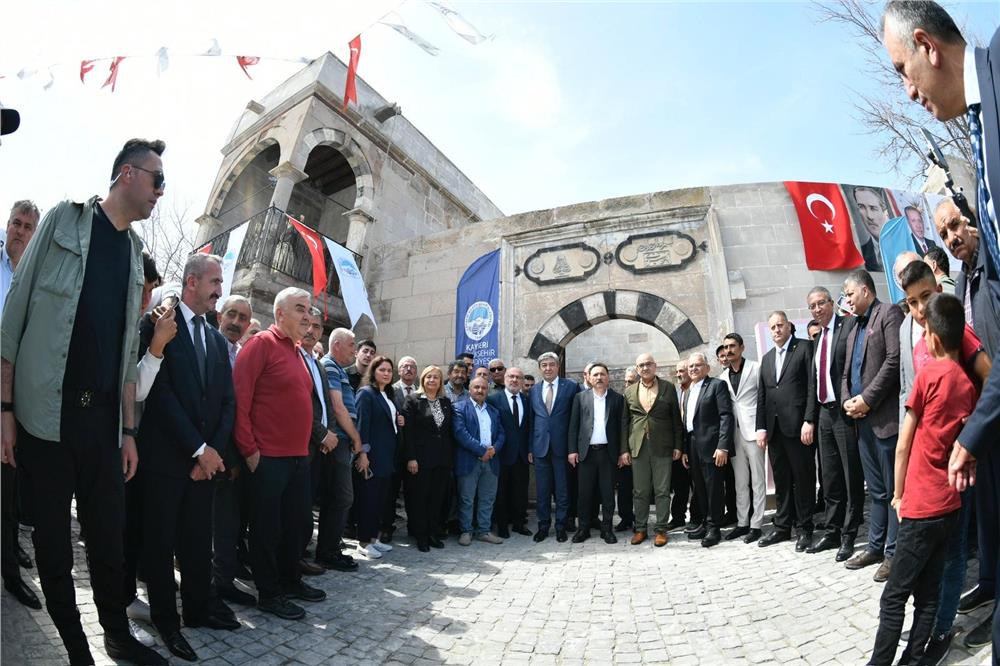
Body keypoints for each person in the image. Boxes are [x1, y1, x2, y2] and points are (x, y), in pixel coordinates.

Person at [0, 138, 168, 665]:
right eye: (156, 179)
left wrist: (128, 431)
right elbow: (15, 321)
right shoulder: (62, 222)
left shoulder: (134, 256)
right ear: (126, 175)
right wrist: (4, 413)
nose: (161, 190)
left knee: (108, 542)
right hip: (45, 419)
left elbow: (123, 357)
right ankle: (78, 652)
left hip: (103, 425)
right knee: (52, 546)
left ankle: (116, 635)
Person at [137, 253, 237, 661]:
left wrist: (210, 453)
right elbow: (159, 395)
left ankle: (198, 609)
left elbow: (226, 401)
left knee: (198, 542)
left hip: (204, 467)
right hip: (164, 461)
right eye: (214, 282)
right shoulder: (159, 322)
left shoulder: (215, 338)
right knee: (159, 546)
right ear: (192, 282)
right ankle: (167, 622)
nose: (219, 290)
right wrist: (198, 448)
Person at [868, 293, 975, 665]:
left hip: (921, 501)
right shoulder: (966, 382)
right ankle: (915, 660)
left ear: (931, 335)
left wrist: (897, 493)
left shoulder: (929, 373)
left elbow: (904, 443)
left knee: (894, 594)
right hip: (950, 503)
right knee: (929, 592)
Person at [234, 287, 326, 621]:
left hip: (298, 458)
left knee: (297, 525)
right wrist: (250, 451)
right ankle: (269, 594)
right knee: (266, 530)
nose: (307, 316)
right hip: (268, 459)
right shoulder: (260, 345)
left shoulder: (298, 352)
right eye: (300, 309)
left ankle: (290, 581)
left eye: (309, 309)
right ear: (279, 314)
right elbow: (239, 402)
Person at [841, 269, 904, 583]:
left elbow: (894, 361)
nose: (848, 300)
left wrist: (866, 399)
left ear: (865, 290)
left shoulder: (888, 313)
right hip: (861, 422)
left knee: (894, 491)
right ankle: (876, 546)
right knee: (876, 491)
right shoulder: (854, 327)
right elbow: (845, 372)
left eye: (850, 294)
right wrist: (847, 402)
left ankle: (894, 553)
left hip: (885, 419)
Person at [0, 199, 40, 611]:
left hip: (12, 399)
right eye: (16, 223)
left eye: (29, 226)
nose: (21, 231)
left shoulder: (35, 279)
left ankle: (9, 565)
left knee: (9, 486)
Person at [807, 287, 864, 563]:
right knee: (829, 477)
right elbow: (814, 382)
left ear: (832, 303)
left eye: (821, 303)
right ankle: (832, 530)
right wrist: (811, 418)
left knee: (850, 475)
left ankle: (849, 534)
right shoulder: (818, 339)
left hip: (844, 412)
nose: (817, 309)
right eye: (812, 306)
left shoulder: (848, 326)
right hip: (824, 415)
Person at [756, 311, 817, 552]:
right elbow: (763, 395)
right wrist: (761, 427)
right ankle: (782, 526)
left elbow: (812, 385)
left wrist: (809, 419)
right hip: (775, 430)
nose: (777, 330)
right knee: (781, 479)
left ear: (789, 327)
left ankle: (805, 528)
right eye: (772, 327)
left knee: (803, 479)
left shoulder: (803, 349)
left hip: (799, 426)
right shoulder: (767, 358)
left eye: (780, 325)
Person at [211, 294, 256, 607]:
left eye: (243, 318)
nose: (237, 323)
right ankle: (212, 585)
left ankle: (222, 582)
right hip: (208, 452)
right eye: (232, 315)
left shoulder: (241, 354)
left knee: (228, 524)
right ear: (219, 316)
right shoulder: (207, 347)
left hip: (233, 454)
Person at [622, 353, 684, 547]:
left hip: (663, 446)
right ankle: (640, 529)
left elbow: (676, 420)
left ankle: (661, 530)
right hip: (638, 447)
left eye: (648, 364)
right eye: (641, 365)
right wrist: (624, 450)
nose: (645, 368)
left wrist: (678, 445)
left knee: (662, 490)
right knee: (640, 490)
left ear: (655, 366)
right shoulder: (630, 392)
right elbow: (625, 422)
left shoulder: (668, 388)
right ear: (637, 368)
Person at [316, 329, 363, 572]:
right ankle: (328, 551)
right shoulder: (330, 366)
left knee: (337, 497)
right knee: (342, 497)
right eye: (352, 344)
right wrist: (356, 437)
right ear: (336, 345)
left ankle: (330, 549)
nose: (355, 350)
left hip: (341, 440)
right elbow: (338, 406)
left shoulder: (337, 368)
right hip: (338, 440)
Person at [567, 363, 625, 544]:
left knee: (608, 494)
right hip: (586, 454)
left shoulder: (617, 399)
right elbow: (573, 426)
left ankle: (607, 529)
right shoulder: (580, 398)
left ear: (608, 377)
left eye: (602, 374)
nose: (599, 378)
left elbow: (623, 427)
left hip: (608, 453)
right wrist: (572, 450)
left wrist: (623, 451)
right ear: (589, 378)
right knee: (584, 494)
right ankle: (583, 528)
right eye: (595, 375)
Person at [681, 353, 734, 549]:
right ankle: (704, 522)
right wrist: (686, 449)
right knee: (700, 489)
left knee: (714, 488)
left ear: (707, 368)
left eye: (697, 365)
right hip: (693, 445)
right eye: (690, 366)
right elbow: (687, 422)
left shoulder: (716, 385)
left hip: (712, 446)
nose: (693, 369)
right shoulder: (688, 390)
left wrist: (723, 446)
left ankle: (715, 528)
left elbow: (726, 416)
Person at [298, 308, 335, 577]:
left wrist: (328, 433)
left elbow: (326, 405)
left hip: (319, 445)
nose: (311, 330)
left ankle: (300, 554)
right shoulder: (293, 357)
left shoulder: (317, 364)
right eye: (306, 324)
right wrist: (321, 434)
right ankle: (292, 558)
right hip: (300, 442)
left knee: (307, 503)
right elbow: (299, 406)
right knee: (296, 506)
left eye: (316, 327)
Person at [529, 352, 581, 543]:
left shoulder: (571, 387)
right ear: (540, 368)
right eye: (544, 365)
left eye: (551, 365)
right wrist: (530, 449)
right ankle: (543, 527)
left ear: (558, 367)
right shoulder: (534, 390)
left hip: (563, 449)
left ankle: (560, 526)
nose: (548, 368)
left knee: (562, 491)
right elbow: (531, 422)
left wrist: (573, 448)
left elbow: (575, 421)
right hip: (540, 448)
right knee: (542, 492)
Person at [720, 334, 766, 544]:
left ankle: (757, 524)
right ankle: (742, 523)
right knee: (740, 482)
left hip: (754, 432)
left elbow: (764, 400)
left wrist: (762, 428)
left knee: (757, 479)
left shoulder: (756, 368)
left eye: (732, 346)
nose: (728, 350)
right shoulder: (722, 377)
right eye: (726, 347)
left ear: (742, 347)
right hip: (734, 434)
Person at [402, 366, 454, 551]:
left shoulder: (446, 402)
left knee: (436, 498)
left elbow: (448, 432)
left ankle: (432, 533)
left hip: (442, 459)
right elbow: (407, 433)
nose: (432, 380)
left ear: (441, 382)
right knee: (419, 498)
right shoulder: (413, 400)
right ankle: (421, 536)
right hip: (420, 460)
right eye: (429, 377)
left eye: (436, 377)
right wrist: (411, 458)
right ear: (423, 379)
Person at [353, 355, 399, 559]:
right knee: (368, 500)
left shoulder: (387, 395)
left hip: (386, 456)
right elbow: (362, 425)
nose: (387, 373)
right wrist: (362, 453)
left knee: (380, 500)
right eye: (382, 370)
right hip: (371, 457)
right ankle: (363, 541)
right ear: (373, 371)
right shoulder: (366, 393)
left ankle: (374, 538)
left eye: (389, 370)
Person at [452, 376, 505, 546]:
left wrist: (494, 449)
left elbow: (502, 434)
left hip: (491, 461)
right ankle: (466, 531)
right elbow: (461, 434)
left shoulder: (493, 411)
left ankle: (484, 531)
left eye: (483, 388)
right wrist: (482, 451)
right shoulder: (459, 408)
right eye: (476, 387)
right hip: (469, 460)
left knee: (487, 498)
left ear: (487, 390)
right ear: (470, 389)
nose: (480, 390)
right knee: (466, 498)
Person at [487, 366, 532, 538]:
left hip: (521, 455)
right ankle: (503, 526)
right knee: (501, 491)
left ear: (522, 381)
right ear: (505, 379)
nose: (514, 380)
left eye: (518, 377)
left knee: (520, 491)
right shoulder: (493, 399)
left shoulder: (526, 400)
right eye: (511, 377)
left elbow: (528, 428)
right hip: (501, 454)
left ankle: (519, 524)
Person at [671, 359, 701, 532]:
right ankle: (677, 518)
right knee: (679, 484)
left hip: (694, 443)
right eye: (677, 371)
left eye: (682, 370)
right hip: (679, 445)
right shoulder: (676, 392)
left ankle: (696, 518)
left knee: (696, 484)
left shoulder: (697, 391)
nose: (679, 374)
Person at [852, 186, 889, 272]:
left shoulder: (903, 246)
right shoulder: (862, 253)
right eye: (861, 207)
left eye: (873, 208)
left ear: (885, 212)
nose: (869, 216)